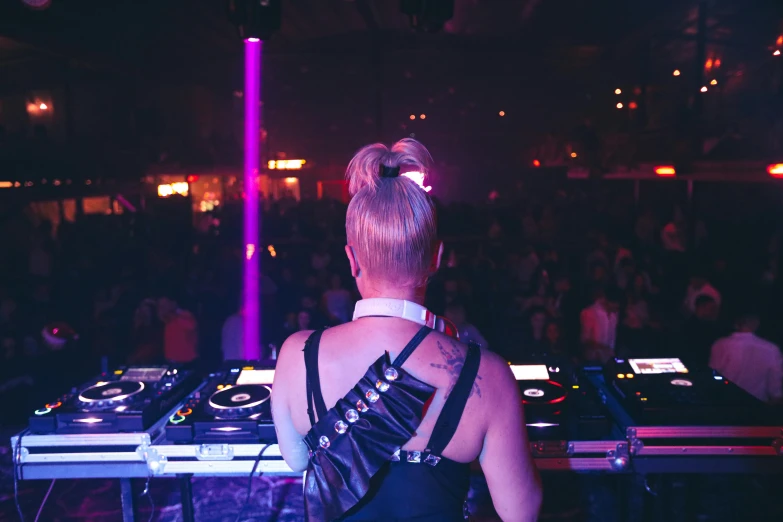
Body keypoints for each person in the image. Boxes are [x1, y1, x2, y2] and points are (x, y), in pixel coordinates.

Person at [272, 139, 541, 521]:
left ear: (351, 259)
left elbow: (297, 461)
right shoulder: (487, 374)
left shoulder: (298, 355)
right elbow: (522, 512)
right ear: (437, 257)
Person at [709, 313, 783, 404]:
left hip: (725, 403)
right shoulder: (771, 349)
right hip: (755, 407)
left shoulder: (720, 344)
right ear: (756, 323)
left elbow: (712, 376)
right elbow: (775, 387)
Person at [580, 286, 620, 364]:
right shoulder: (590, 312)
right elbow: (585, 339)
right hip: (593, 359)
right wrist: (602, 349)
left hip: (610, 359)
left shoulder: (615, 314)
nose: (616, 307)